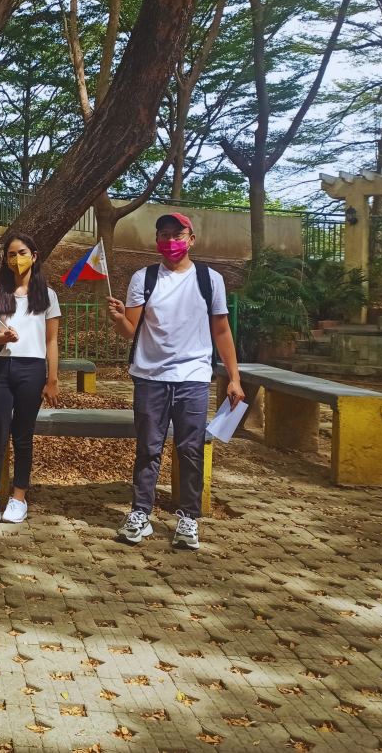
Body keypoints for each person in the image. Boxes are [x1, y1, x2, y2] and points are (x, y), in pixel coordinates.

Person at [105, 212, 244, 550]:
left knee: (191, 449)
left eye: (177, 234)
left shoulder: (210, 279)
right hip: (150, 377)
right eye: (164, 235)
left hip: (193, 377)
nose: (170, 242)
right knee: (148, 448)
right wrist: (118, 318)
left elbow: (221, 330)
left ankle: (188, 519)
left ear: (191, 239)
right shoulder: (145, 278)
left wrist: (234, 378)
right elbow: (130, 330)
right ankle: (140, 514)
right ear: (157, 242)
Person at [0, 234, 60, 525]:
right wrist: (2, 336)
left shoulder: (47, 296)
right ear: (5, 260)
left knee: (23, 436)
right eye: (11, 254)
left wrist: (51, 379)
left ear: (35, 255)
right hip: (1, 369)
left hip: (33, 370)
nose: (16, 259)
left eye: (22, 252)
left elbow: (52, 341)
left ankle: (18, 498)